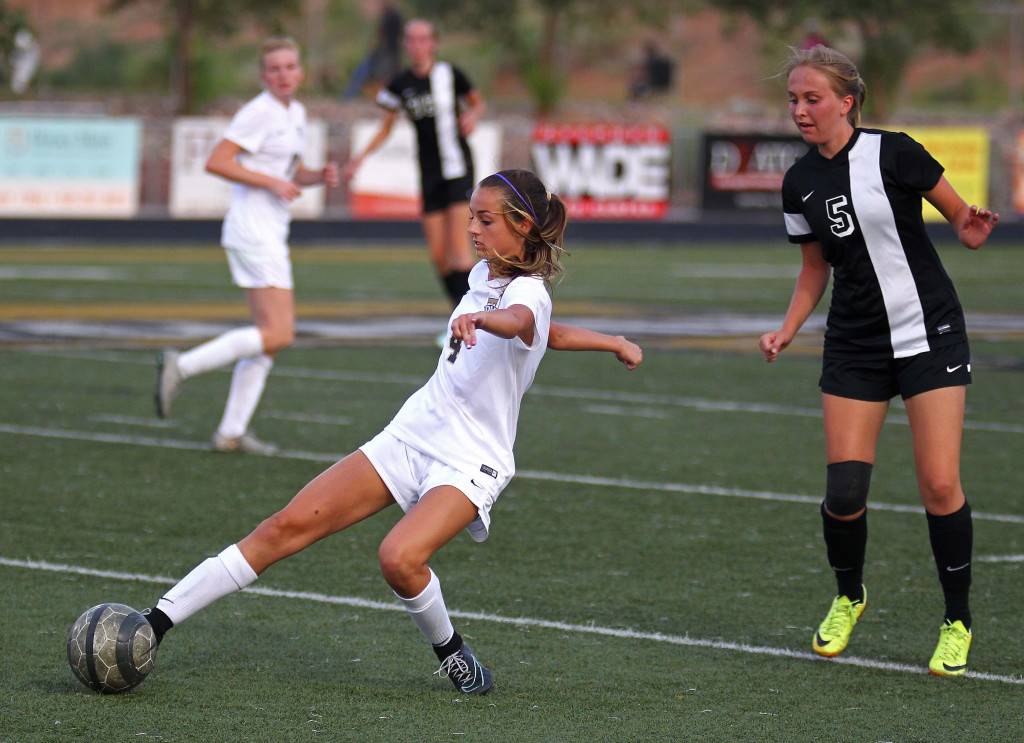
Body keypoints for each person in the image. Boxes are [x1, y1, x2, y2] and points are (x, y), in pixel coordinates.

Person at [139, 169, 643, 695]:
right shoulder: (482, 277)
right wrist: (613, 341)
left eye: (484, 218)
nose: (471, 227)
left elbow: (522, 321)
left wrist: (484, 323)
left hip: (471, 461)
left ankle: (454, 656)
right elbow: (551, 335)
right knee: (282, 527)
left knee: (399, 558)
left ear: (521, 225)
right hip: (410, 434)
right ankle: (154, 623)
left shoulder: (527, 292)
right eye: (470, 214)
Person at [759, 45, 999, 676]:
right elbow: (815, 269)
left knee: (940, 483)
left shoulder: (895, 150)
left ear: (848, 101)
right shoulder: (799, 180)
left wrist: (973, 226)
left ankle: (957, 619)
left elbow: (960, 220)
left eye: (812, 99)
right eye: (793, 100)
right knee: (844, 491)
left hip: (930, 333)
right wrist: (786, 329)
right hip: (855, 344)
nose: (800, 111)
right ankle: (849, 594)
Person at [154, 37, 340, 455]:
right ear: (263, 76)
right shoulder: (259, 112)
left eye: (290, 66)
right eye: (274, 68)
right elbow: (217, 161)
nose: (284, 74)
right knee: (279, 332)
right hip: (252, 230)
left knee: (268, 339)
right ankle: (181, 366)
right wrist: (271, 182)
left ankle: (231, 433)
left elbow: (289, 170)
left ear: (301, 72)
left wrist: (316, 176)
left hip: (269, 230)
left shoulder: (295, 113)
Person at [344, 19, 484, 308]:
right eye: (411, 40)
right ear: (406, 45)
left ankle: (476, 320)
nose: (417, 45)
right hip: (430, 172)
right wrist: (359, 158)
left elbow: (476, 102)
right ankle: (461, 314)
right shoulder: (401, 84)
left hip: (458, 169)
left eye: (423, 39)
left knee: (460, 251)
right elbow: (385, 127)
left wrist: (472, 116)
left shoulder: (450, 74)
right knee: (439, 257)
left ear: (433, 43)